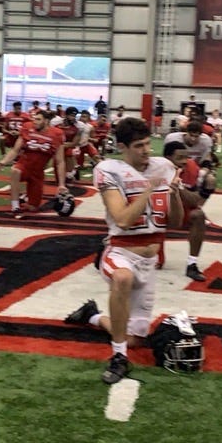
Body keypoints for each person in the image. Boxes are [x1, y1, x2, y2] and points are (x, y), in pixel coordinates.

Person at [63, 117, 183, 384]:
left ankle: (92, 316)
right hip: (120, 251)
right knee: (122, 278)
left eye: (147, 144)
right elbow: (123, 220)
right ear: (122, 147)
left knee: (136, 340)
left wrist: (174, 194)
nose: (146, 150)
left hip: (149, 261)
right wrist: (147, 190)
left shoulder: (163, 167)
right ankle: (119, 358)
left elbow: (175, 222)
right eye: (138, 145)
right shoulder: (110, 169)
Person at [0, 110, 67, 219]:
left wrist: (61, 184)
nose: (34, 122)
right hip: (24, 165)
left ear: (46, 121)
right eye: (34, 119)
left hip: (38, 172)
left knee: (33, 208)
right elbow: (15, 150)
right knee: (15, 171)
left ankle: (26, 197)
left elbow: (60, 161)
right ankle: (15, 205)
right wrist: (3, 161)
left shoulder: (57, 134)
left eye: (38, 119)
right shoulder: (27, 127)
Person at [162, 140, 214, 281]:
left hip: (179, 210)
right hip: (157, 212)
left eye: (186, 157)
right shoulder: (155, 168)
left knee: (198, 215)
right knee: (156, 263)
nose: (185, 161)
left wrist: (179, 187)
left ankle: (192, 263)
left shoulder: (191, 168)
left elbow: (195, 200)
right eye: (179, 158)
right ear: (167, 159)